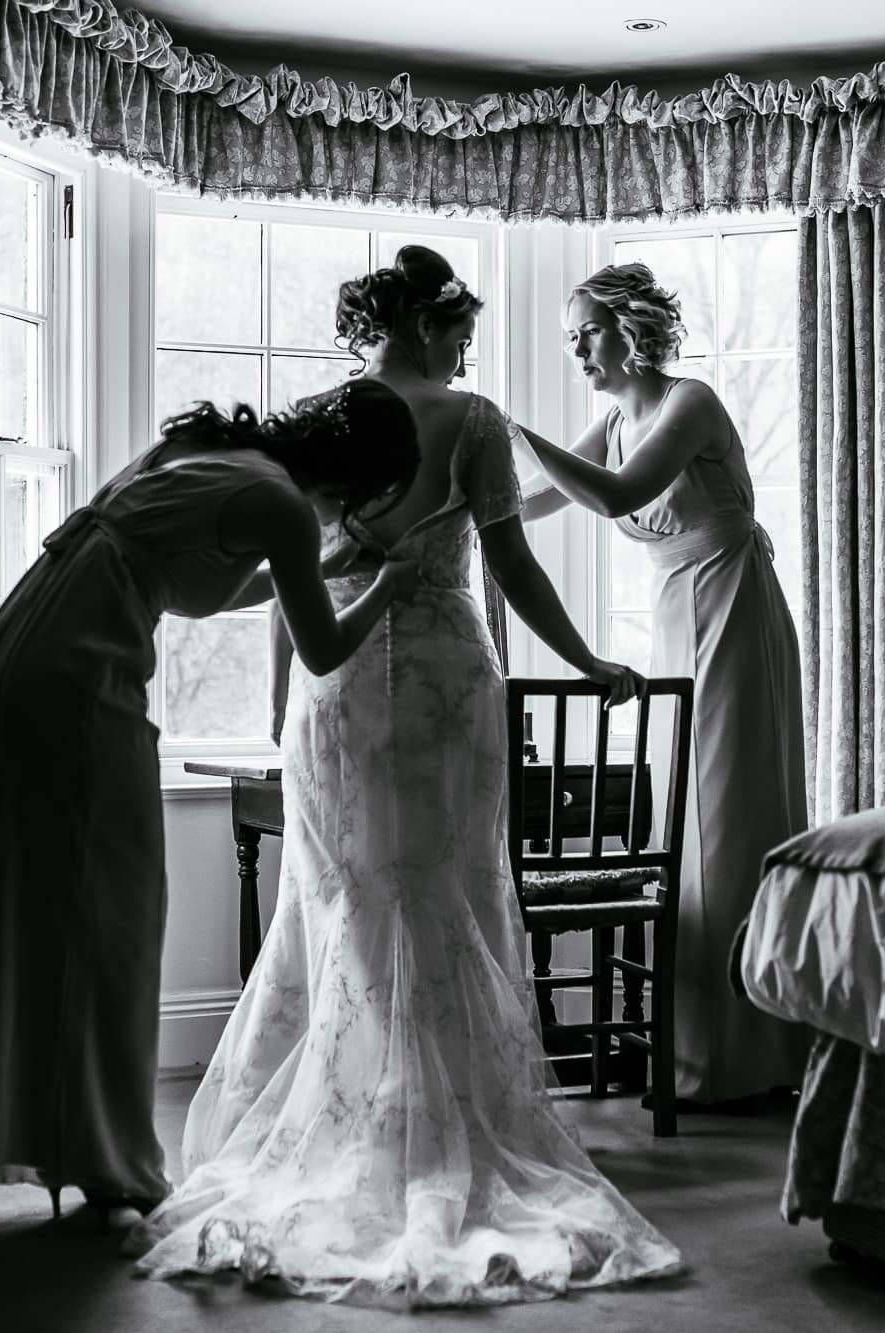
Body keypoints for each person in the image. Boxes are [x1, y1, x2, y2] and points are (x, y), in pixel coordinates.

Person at [126, 246, 683, 1306]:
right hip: (437, 676)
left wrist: (280, 711)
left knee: (338, 896)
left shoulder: (319, 417)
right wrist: (589, 663)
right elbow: (512, 569)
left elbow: (299, 577)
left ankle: (357, 1112)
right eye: (461, 330)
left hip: (330, 692)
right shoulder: (468, 419)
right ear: (431, 324)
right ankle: (432, 1126)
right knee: (439, 891)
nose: (466, 349)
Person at [0, 381, 425, 1229]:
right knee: (109, 910)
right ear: (353, 478)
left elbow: (188, 584)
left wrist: (316, 570)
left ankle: (49, 1136)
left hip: (20, 648)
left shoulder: (208, 454)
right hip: (77, 673)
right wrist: (387, 586)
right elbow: (327, 649)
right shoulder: (281, 504)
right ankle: (111, 1160)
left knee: (41, 900)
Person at [516, 261, 808, 1107]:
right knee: (681, 818)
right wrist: (464, 490)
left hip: (729, 603)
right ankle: (693, 1047)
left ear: (629, 327)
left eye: (586, 334)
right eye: (567, 339)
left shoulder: (689, 402)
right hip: (675, 611)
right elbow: (534, 500)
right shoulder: (612, 419)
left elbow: (614, 496)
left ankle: (742, 1057)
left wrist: (504, 426)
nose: (576, 352)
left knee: (725, 814)